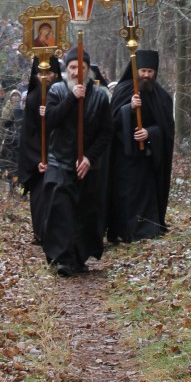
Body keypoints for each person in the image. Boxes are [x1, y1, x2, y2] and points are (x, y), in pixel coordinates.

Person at [41, 45, 112, 277]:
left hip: (87, 166)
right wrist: (72, 98)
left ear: (87, 70)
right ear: (66, 69)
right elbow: (50, 120)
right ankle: (62, 259)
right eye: (72, 67)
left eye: (80, 68)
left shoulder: (100, 96)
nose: (75, 72)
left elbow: (105, 133)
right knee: (61, 210)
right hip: (60, 162)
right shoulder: (57, 91)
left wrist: (89, 158)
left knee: (84, 212)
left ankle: (78, 257)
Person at [107, 49, 174, 243]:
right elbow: (111, 122)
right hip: (124, 156)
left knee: (146, 193)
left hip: (149, 157)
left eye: (150, 72)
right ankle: (125, 231)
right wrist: (129, 108)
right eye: (143, 71)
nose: (146, 75)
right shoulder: (123, 90)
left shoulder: (162, 96)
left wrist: (150, 133)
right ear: (136, 71)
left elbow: (167, 129)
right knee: (126, 193)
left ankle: (147, 229)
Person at [18, 56, 61, 244]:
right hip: (40, 162)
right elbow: (29, 134)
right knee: (40, 199)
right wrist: (38, 161)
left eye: (49, 73)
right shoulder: (33, 99)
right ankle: (42, 234)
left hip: (61, 157)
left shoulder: (63, 96)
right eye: (40, 73)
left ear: (56, 74)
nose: (45, 77)